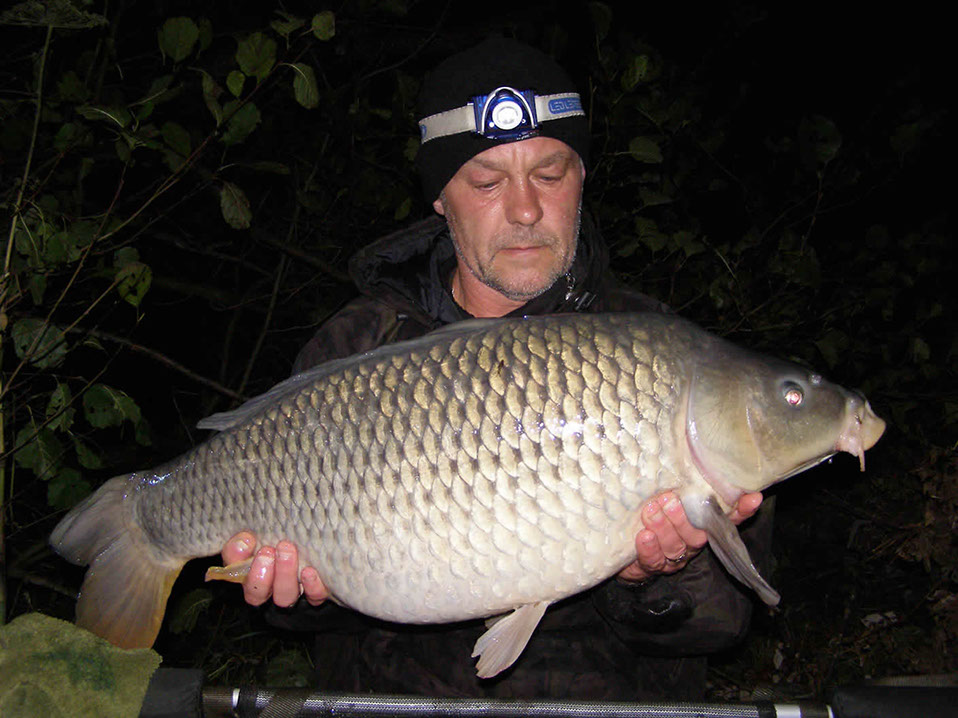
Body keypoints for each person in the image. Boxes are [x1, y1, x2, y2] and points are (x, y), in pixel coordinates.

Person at [219, 37, 770, 699]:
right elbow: (303, 616)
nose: (526, 210)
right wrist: (301, 595)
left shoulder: (661, 356)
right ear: (439, 199)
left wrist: (654, 576)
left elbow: (727, 622)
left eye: (550, 172)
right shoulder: (355, 348)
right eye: (486, 182)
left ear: (583, 179)